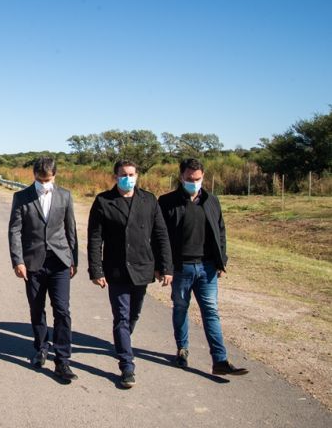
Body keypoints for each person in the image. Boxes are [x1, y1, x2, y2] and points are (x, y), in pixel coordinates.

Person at [87, 159, 173, 388]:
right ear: (115, 176)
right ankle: (127, 365)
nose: (128, 178)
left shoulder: (149, 200)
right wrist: (96, 269)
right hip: (115, 269)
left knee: (134, 315)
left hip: (143, 267)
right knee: (121, 317)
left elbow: (161, 235)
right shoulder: (103, 201)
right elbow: (95, 239)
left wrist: (166, 266)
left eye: (132, 174)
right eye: (124, 174)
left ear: (137, 175)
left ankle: (122, 341)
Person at [158, 158, 248, 376]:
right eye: (189, 178)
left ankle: (220, 360)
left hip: (207, 268)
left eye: (197, 179)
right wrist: (164, 267)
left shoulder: (211, 201)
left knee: (211, 312)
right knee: (180, 308)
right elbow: (160, 237)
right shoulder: (167, 202)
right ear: (181, 177)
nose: (194, 182)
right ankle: (182, 349)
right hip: (181, 269)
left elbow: (221, 231)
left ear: (203, 177)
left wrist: (221, 261)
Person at [8, 157, 79, 382]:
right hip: (33, 264)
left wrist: (73, 259)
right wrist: (17, 261)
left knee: (62, 311)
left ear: (54, 176)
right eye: (40, 180)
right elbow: (15, 231)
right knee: (37, 309)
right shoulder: (21, 197)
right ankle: (40, 348)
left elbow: (71, 230)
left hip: (59, 261)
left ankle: (62, 360)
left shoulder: (65, 196)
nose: (44, 184)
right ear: (34, 176)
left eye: (48, 180)